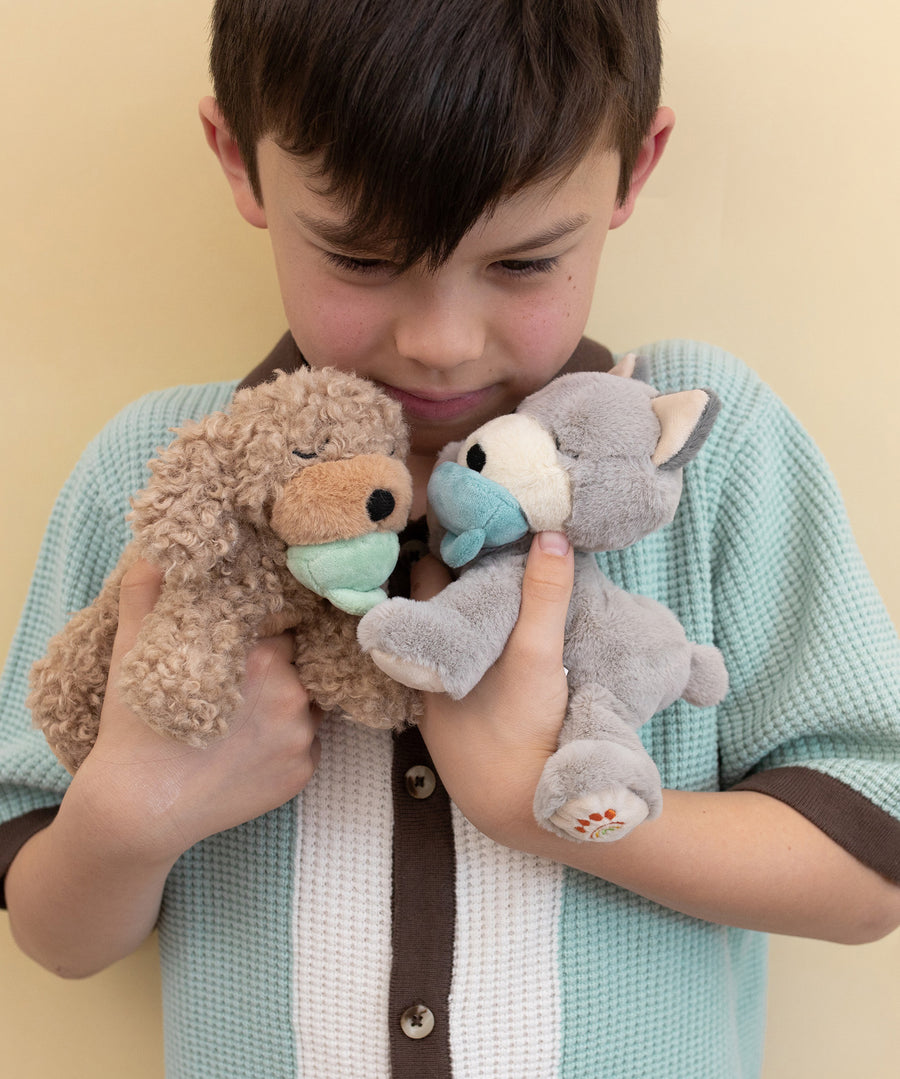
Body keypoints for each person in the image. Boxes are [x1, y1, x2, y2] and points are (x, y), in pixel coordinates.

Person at [1, 1, 898, 1076]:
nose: (438, 343)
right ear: (238, 162)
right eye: (361, 259)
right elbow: (53, 928)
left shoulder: (702, 449)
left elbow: (870, 864)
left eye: (523, 264)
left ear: (633, 169)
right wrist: (131, 811)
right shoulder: (159, 477)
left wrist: (546, 806)